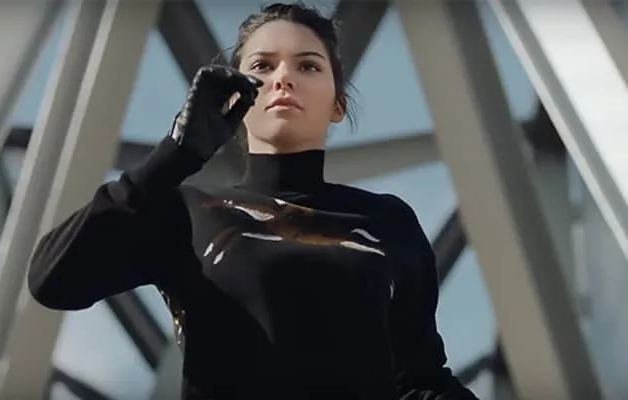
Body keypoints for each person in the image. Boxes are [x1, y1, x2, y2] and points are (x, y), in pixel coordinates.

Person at [28, 3, 479, 399]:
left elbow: (419, 381)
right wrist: (175, 153)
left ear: (338, 105)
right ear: (235, 98)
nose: (283, 78)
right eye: (262, 66)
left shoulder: (387, 219)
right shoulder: (187, 212)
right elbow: (54, 280)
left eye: (308, 66)